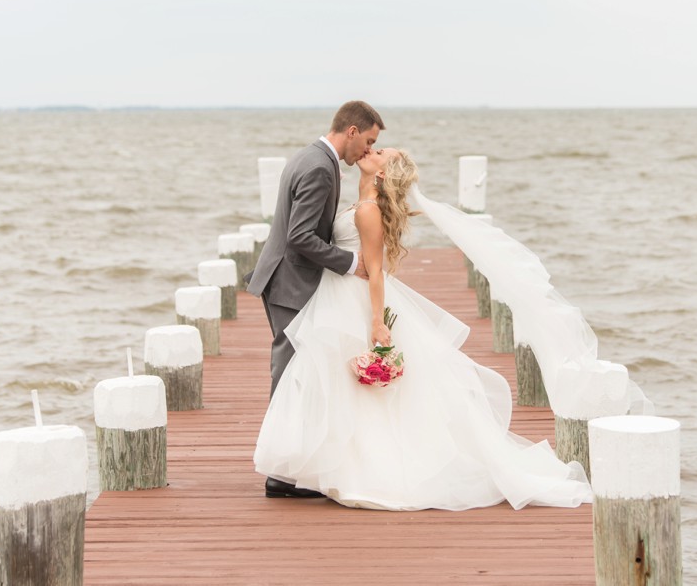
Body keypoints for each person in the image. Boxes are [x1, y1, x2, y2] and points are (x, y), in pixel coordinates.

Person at [253, 147, 593, 511]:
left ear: (384, 174)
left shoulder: (368, 211)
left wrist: (377, 320)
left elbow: (376, 271)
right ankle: (332, 466)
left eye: (381, 152)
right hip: (337, 296)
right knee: (340, 385)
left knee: (350, 387)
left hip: (353, 300)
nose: (373, 149)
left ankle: (352, 468)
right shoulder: (360, 204)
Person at [246, 100, 384, 499]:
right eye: (369, 140)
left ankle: (289, 468)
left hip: (286, 279)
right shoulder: (321, 168)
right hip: (291, 283)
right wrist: (348, 261)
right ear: (352, 131)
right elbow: (299, 236)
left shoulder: (311, 156)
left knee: (295, 374)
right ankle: (281, 475)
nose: (367, 151)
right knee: (290, 375)